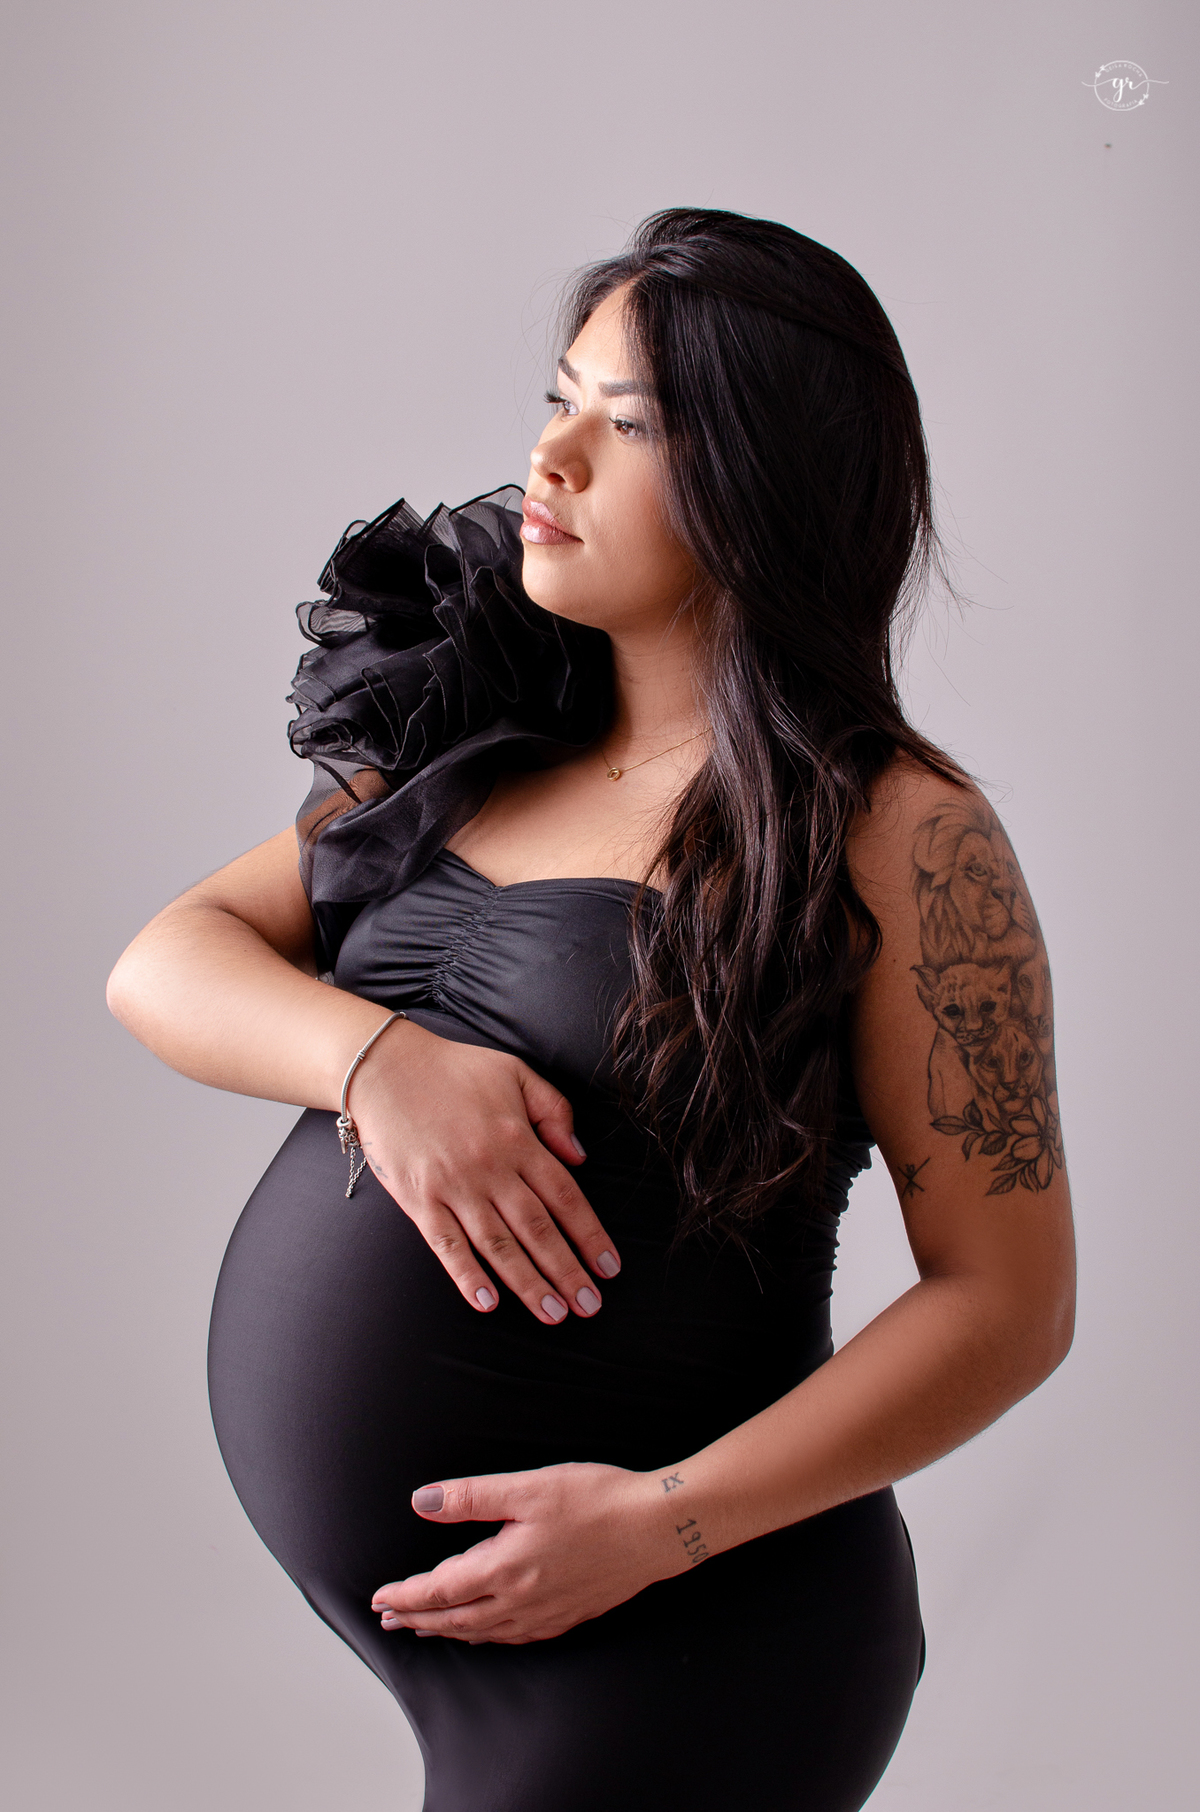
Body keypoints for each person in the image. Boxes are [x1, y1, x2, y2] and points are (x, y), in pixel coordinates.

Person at [107, 208, 1075, 1812]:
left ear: (761, 483)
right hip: (495, 1639)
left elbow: (1010, 1302)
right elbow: (165, 961)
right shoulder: (480, 736)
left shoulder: (894, 830)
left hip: (696, 1630)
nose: (548, 459)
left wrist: (664, 1525)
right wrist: (377, 1060)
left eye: (626, 426)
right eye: (559, 399)